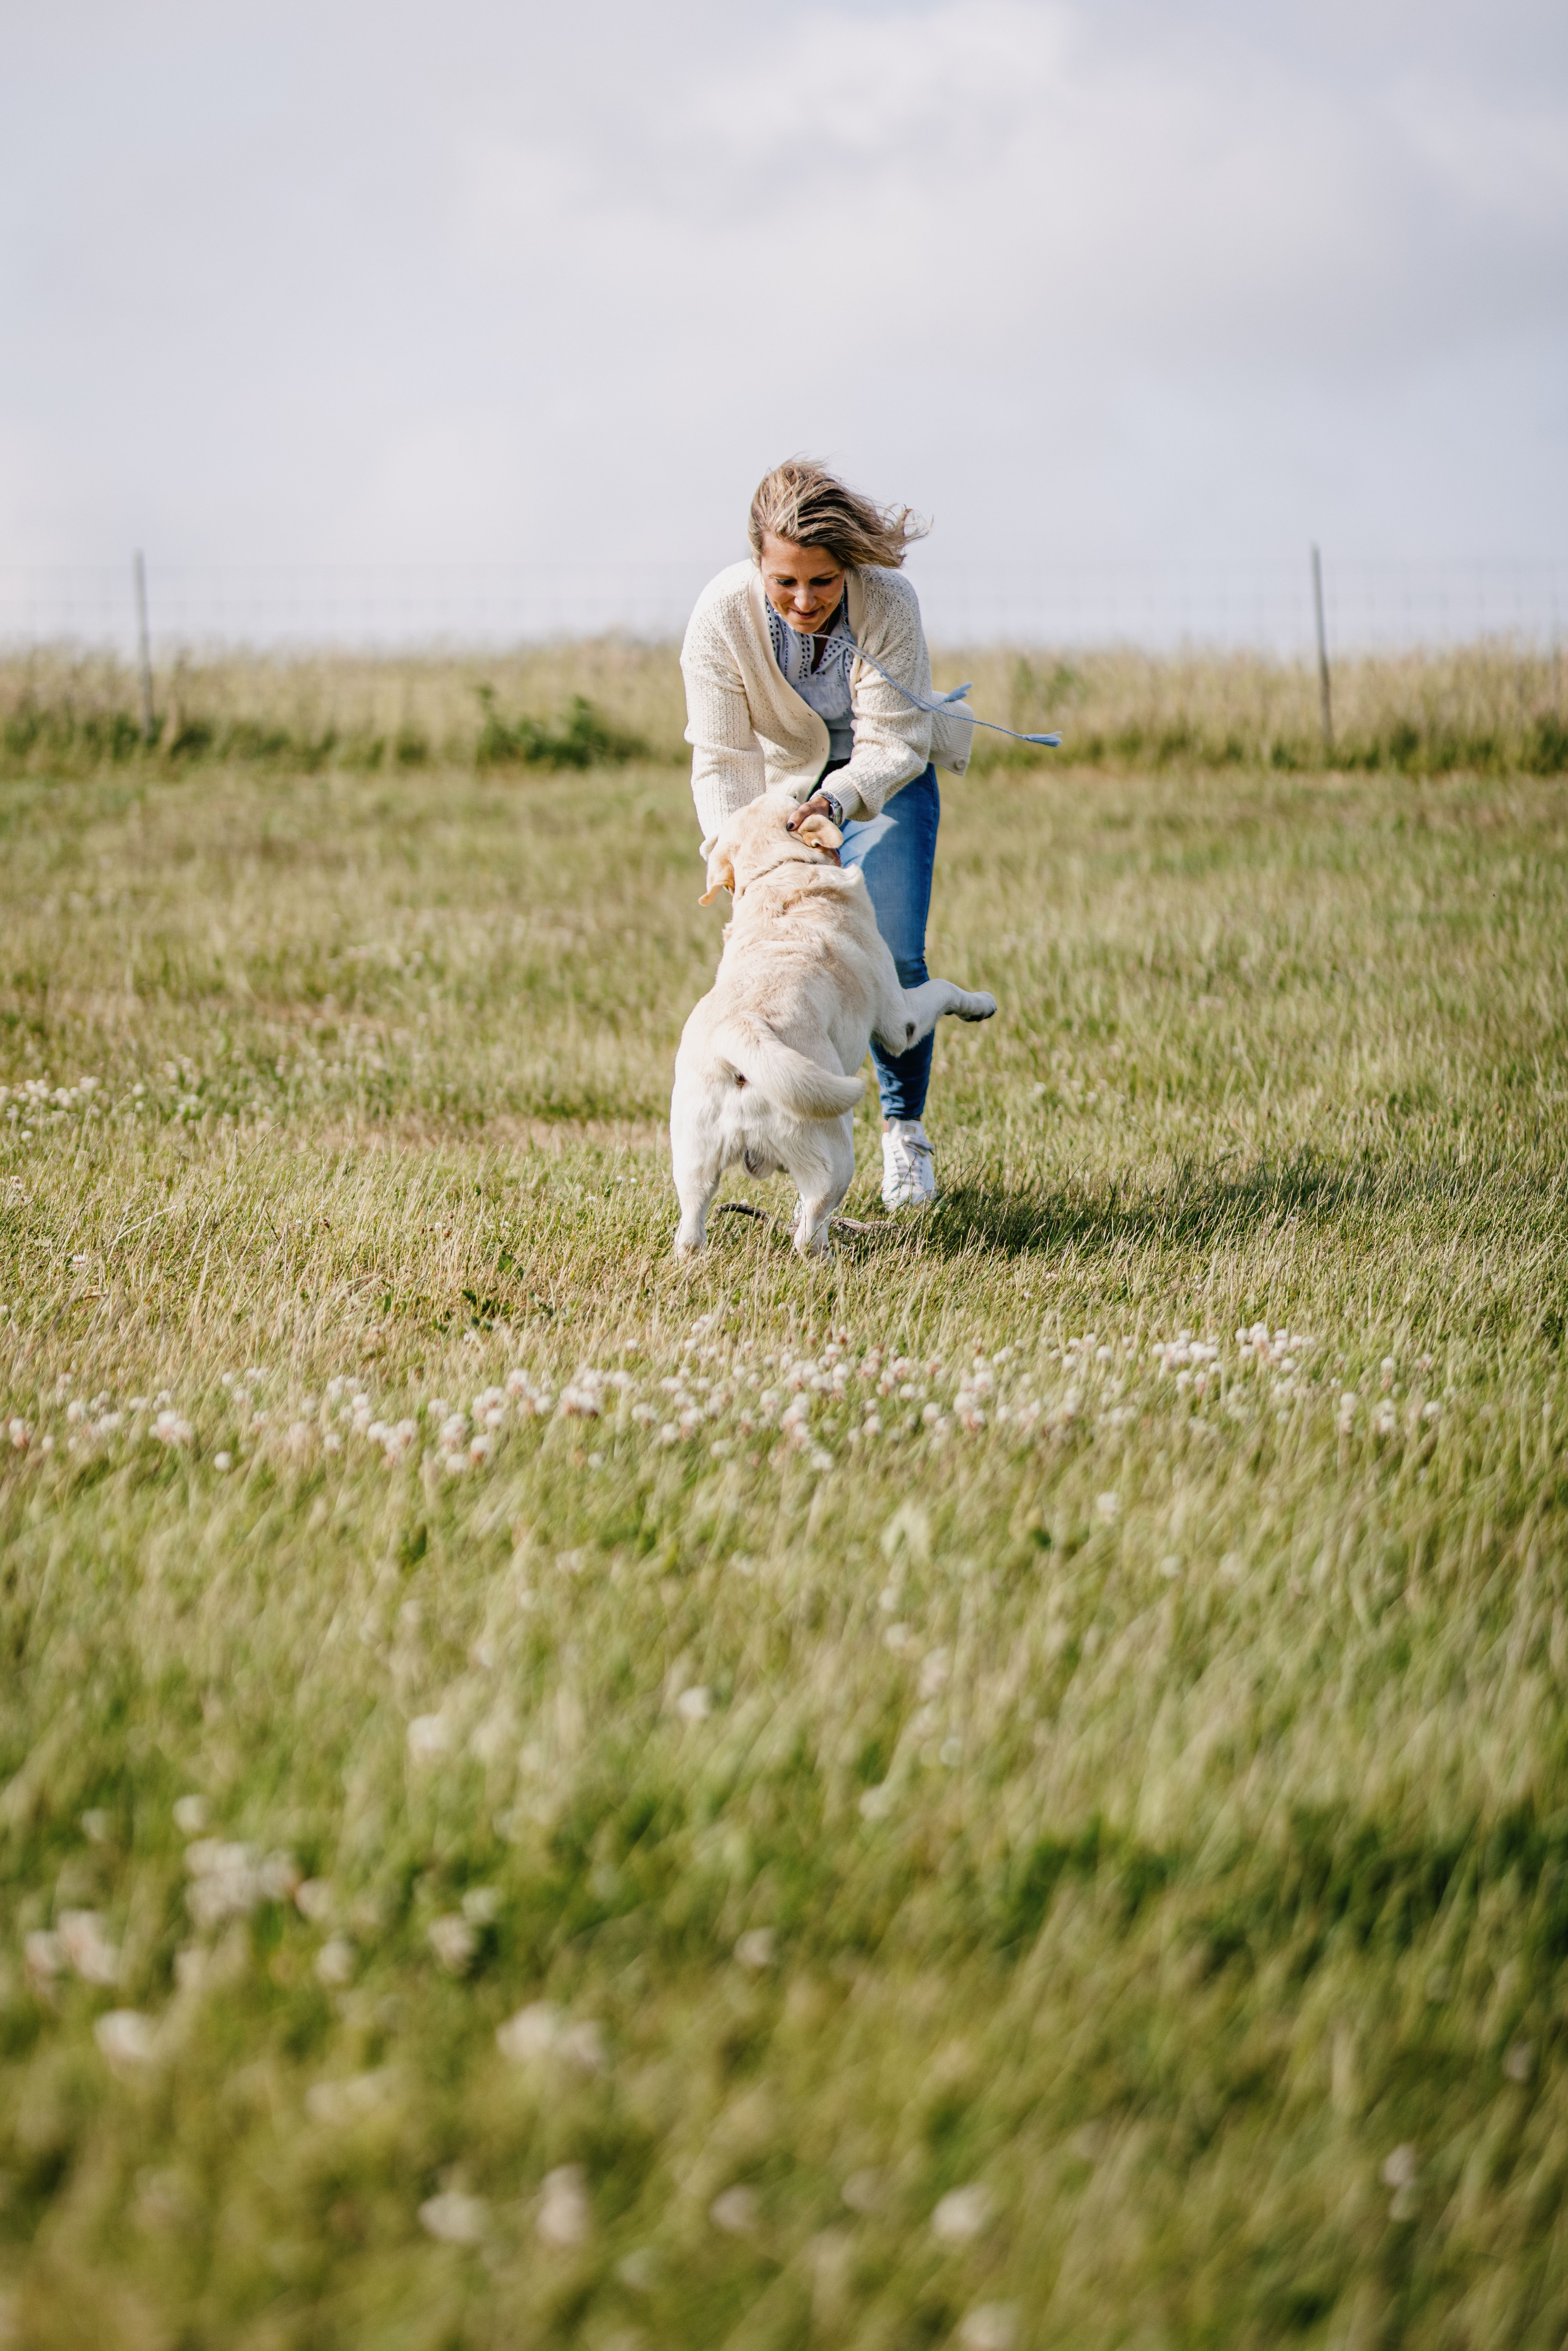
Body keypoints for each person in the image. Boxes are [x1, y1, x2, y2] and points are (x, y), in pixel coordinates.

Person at [680, 459, 974, 1211]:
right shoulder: (719, 617)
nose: (804, 600)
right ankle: (767, 1123)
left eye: (823, 582)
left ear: (849, 569)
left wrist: (839, 806)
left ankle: (904, 1135)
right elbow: (721, 761)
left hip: (883, 778)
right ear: (758, 566)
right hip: (781, 791)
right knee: (777, 959)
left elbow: (893, 744)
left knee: (896, 952)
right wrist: (738, 854)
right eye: (785, 583)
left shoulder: (889, 603)